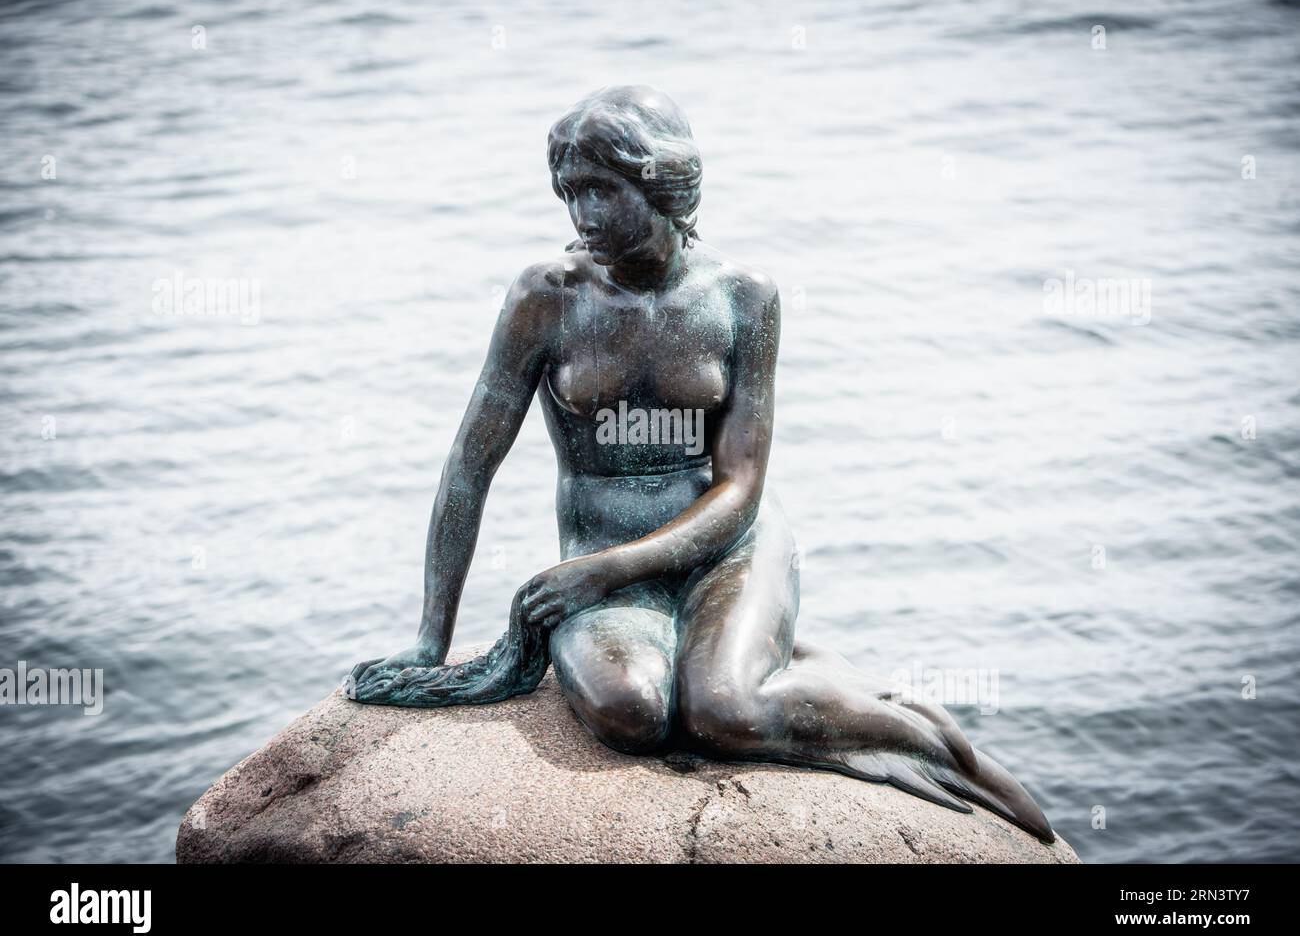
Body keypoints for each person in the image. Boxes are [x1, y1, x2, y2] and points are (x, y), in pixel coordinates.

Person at [348, 85, 1055, 843]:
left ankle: (921, 735)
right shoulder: (545, 299)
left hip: (731, 544)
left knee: (723, 709)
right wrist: (431, 637)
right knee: (634, 713)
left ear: (659, 182)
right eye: (570, 193)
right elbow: (468, 468)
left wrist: (607, 571)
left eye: (600, 190)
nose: (581, 215)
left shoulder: (743, 297)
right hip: (601, 551)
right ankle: (774, 654)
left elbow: (742, 486)